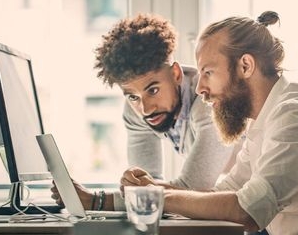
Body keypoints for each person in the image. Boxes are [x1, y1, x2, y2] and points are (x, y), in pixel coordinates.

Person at [121, 11, 298, 234]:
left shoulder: (297, 115)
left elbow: (248, 211)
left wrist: (159, 197)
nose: (200, 88)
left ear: (245, 66)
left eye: (208, 73)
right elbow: (220, 194)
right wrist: (149, 189)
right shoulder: (264, 121)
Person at [50, 13, 236, 211]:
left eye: (153, 90)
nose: (145, 109)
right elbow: (146, 190)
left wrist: (96, 200)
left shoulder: (209, 101)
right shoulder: (136, 111)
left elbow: (190, 192)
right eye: (132, 96)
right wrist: (136, 187)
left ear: (175, 74)